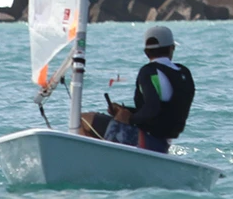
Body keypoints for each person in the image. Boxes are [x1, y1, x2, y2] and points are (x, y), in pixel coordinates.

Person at [81, 25, 196, 154]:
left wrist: (129, 118)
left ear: (146, 52)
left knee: (83, 118)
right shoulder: (184, 72)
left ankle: (91, 161)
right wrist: (126, 111)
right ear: (172, 48)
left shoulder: (148, 72)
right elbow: (165, 110)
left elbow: (152, 109)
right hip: (164, 144)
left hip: (146, 141)